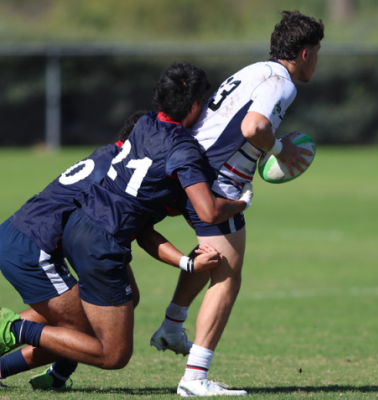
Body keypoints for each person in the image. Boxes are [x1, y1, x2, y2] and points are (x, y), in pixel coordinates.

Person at [0, 62, 250, 394]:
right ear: (193, 106)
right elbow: (201, 210)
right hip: (43, 244)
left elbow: (143, 223)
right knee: (105, 348)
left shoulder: (144, 126)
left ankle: (52, 371)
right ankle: (15, 331)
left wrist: (186, 262)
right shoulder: (176, 149)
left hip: (70, 231)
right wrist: (239, 200)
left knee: (120, 304)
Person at [148, 10, 324, 396]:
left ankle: (172, 327)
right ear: (306, 53)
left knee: (211, 254)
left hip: (192, 167)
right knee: (228, 274)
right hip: (215, 180)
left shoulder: (254, 70)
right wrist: (281, 149)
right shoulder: (282, 83)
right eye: (317, 51)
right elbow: (253, 127)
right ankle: (194, 378)